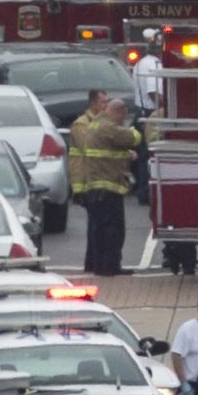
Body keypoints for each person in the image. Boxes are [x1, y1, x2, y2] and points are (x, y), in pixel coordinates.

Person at [73, 96, 140, 277]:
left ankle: (98, 265)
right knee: (113, 231)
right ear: (119, 111)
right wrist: (131, 131)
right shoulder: (109, 127)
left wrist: (125, 156)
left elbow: (108, 152)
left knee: (98, 230)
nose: (122, 121)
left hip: (96, 187)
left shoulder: (95, 124)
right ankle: (110, 267)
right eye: (123, 117)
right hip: (108, 188)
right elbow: (132, 138)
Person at [130, 29, 164, 205]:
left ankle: (141, 191)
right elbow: (154, 92)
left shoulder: (140, 63)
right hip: (151, 115)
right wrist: (164, 110)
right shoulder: (155, 65)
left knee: (142, 156)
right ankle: (146, 194)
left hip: (141, 113)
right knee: (149, 157)